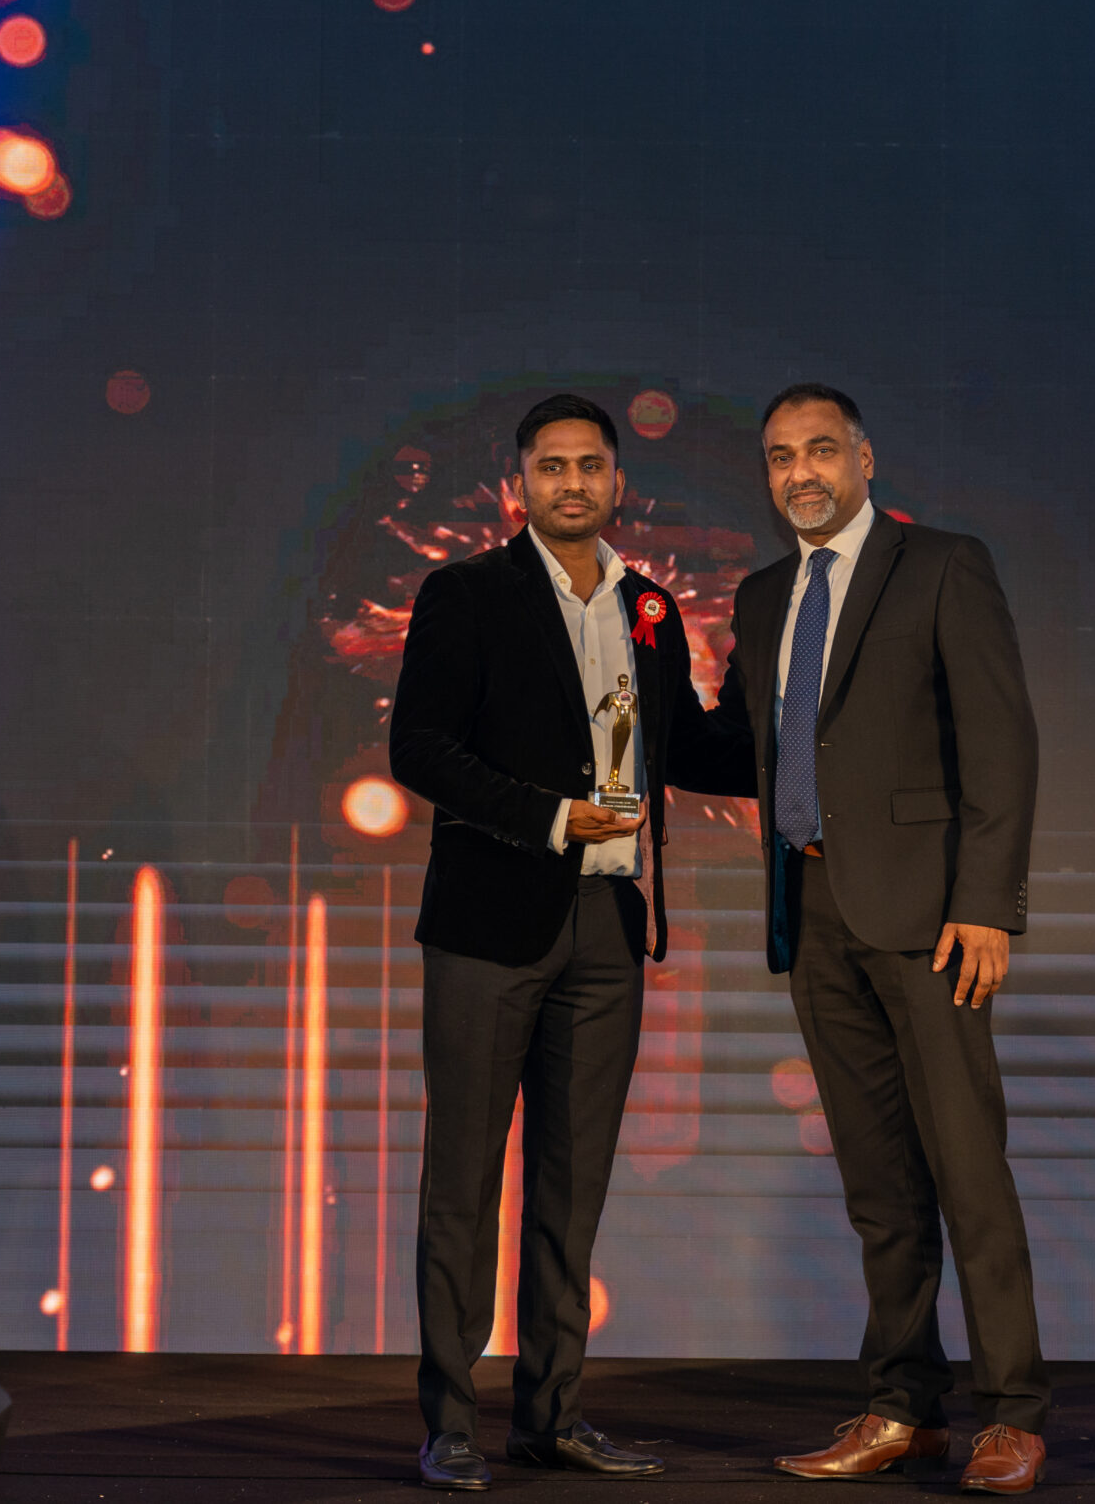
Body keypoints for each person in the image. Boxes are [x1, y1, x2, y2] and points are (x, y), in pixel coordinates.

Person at [389, 392, 746, 1491]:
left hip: (608, 924)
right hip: (490, 922)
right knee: (463, 1184)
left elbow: (692, 750)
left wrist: (792, 697)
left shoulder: (649, 606)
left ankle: (552, 1416)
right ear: (521, 484)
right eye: (553, 466)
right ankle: (451, 1423)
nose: (573, 483)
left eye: (590, 465)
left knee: (572, 1182)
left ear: (617, 481)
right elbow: (420, 749)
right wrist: (550, 818)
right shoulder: (466, 593)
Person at [706, 383, 1050, 1494]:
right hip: (813, 914)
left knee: (966, 1170)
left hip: (932, 918)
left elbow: (1000, 743)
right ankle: (903, 1406)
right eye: (779, 457)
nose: (799, 473)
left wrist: (987, 902)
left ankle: (1013, 1413)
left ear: (863, 458)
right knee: (878, 1183)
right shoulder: (763, 596)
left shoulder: (941, 565)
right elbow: (739, 748)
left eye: (819, 450)